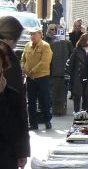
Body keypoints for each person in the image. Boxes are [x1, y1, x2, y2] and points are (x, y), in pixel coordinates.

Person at [0, 16, 30, 168]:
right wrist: (22, 150)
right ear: (12, 38)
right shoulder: (8, 59)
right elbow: (18, 110)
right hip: (7, 144)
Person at [21, 27, 53, 130]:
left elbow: (44, 62)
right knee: (31, 101)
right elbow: (23, 58)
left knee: (44, 100)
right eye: (31, 34)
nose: (32, 36)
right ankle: (33, 123)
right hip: (30, 78)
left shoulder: (45, 46)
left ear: (41, 35)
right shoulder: (27, 46)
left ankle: (47, 120)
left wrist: (32, 71)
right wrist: (23, 67)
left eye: (35, 34)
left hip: (42, 77)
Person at [66, 33, 88, 112]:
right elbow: (70, 63)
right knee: (77, 96)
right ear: (85, 41)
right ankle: (77, 114)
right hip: (78, 76)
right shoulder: (77, 50)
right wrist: (68, 75)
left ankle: (84, 115)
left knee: (86, 96)